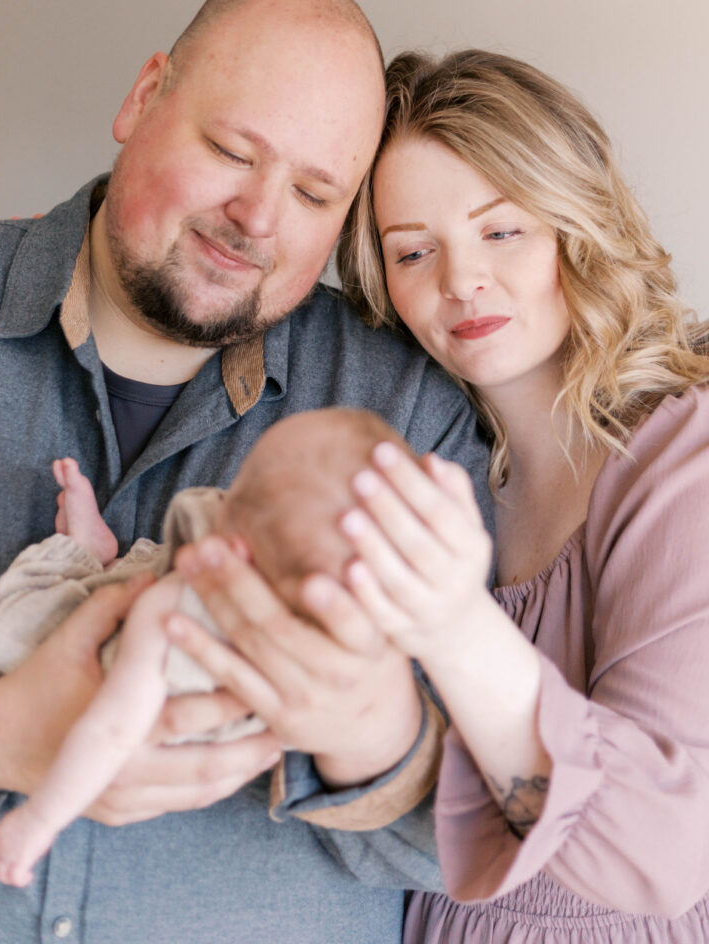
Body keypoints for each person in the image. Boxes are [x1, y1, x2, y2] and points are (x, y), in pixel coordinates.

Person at [0, 0, 491, 944]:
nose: (259, 217)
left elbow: (486, 826)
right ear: (145, 96)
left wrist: (374, 729)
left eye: (317, 192)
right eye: (233, 151)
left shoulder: (412, 413)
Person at [280, 47, 707, 941]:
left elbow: (663, 850)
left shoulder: (684, 462)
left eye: (501, 230)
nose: (460, 280)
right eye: (413, 250)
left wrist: (451, 628)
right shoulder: (437, 465)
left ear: (574, 223)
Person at [0, 407, 416, 888]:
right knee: (57, 617)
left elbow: (111, 729)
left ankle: (87, 557)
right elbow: (112, 727)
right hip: (133, 657)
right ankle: (93, 554)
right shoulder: (184, 615)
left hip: (162, 679)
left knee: (19, 623)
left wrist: (37, 820)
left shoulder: (183, 614)